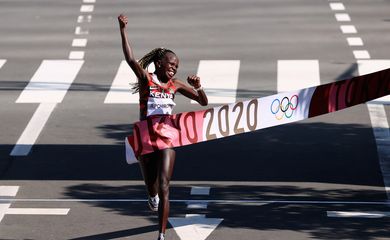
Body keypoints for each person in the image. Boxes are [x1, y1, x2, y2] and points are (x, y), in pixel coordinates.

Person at [118, 14, 208, 240]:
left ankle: (161, 235)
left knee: (166, 186)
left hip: (167, 137)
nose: (174, 69)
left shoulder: (175, 85)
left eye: (176, 66)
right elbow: (130, 59)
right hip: (146, 138)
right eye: (171, 64)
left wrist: (199, 87)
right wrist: (122, 30)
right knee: (153, 187)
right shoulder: (145, 79)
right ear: (159, 64)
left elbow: (203, 102)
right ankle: (151, 196)